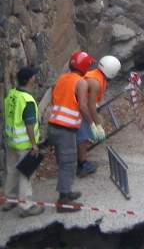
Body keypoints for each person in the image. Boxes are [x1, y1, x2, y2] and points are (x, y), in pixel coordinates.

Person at [48, 51, 95, 212]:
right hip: (65, 128)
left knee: (63, 162)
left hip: (53, 125)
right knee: (68, 163)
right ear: (84, 67)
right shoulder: (81, 83)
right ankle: (64, 200)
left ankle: (66, 191)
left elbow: (55, 99)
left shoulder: (62, 78)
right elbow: (82, 106)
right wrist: (92, 124)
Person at [3, 67, 44, 217]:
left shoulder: (12, 94)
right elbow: (29, 125)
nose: (35, 78)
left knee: (12, 171)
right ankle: (26, 206)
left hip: (11, 141)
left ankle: (10, 200)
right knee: (26, 173)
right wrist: (34, 144)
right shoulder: (27, 100)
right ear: (28, 80)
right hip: (24, 144)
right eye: (33, 76)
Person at [75, 56, 121, 178]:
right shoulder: (95, 82)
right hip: (79, 109)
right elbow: (90, 106)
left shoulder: (94, 74)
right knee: (83, 137)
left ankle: (81, 159)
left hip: (79, 106)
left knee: (88, 132)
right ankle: (82, 164)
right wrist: (97, 125)